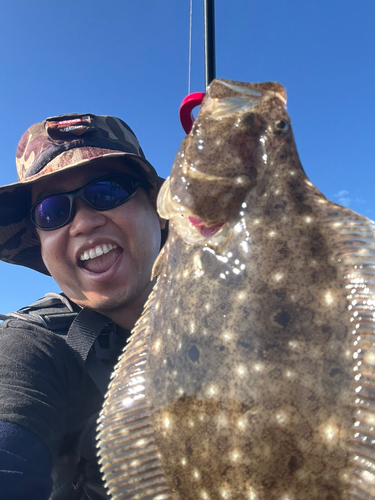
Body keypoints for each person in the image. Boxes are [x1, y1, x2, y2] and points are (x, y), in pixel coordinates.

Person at [0, 113, 167, 499]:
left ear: (158, 210)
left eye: (108, 191)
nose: (84, 223)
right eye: (52, 212)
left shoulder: (232, 318)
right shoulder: (29, 348)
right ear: (41, 244)